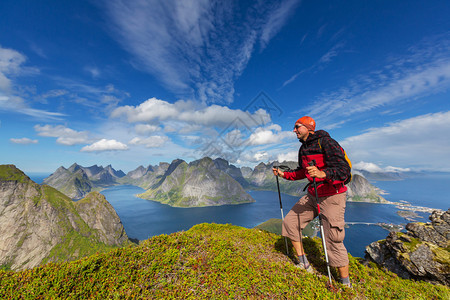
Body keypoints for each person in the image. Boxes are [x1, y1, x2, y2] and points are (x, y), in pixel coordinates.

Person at [272, 116, 352, 287]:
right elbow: (302, 172)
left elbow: (344, 170)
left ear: (308, 127)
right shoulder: (303, 149)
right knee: (290, 222)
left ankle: (345, 284)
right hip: (313, 193)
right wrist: (283, 174)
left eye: (296, 127)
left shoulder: (327, 143)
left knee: (333, 238)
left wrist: (324, 174)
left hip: (332, 195)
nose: (294, 130)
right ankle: (304, 263)